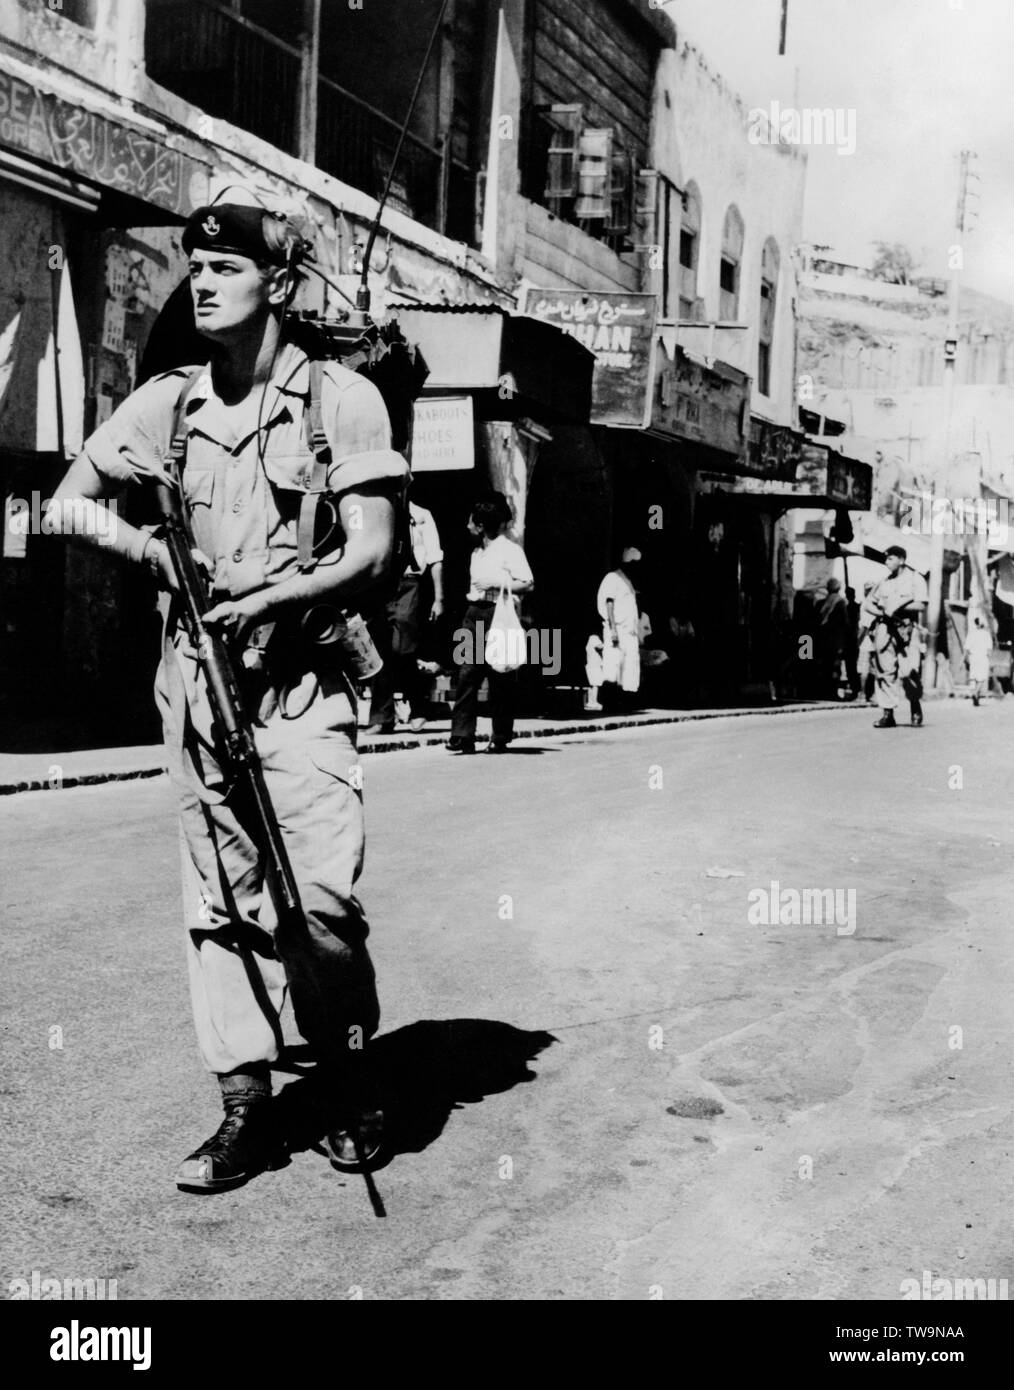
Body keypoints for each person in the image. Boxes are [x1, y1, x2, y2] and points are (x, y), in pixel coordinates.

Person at [48, 203, 408, 1192]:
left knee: (320, 903)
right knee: (220, 906)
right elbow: (67, 500)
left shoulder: (343, 400)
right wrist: (155, 555)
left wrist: (271, 597)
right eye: (195, 265)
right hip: (204, 686)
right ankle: (245, 1108)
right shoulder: (167, 402)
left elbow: (373, 549)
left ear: (278, 283)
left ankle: (346, 1067)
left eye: (226, 266)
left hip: (302, 681)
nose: (202, 282)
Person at [446, 492, 533, 754]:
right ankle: (462, 735)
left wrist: (497, 583)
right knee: (467, 673)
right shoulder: (476, 553)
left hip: (499, 613)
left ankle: (500, 735)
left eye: (472, 521)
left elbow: (527, 583)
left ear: (482, 524)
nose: (468, 526)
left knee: (500, 676)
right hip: (474, 613)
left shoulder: (510, 550)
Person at [365, 494, 444, 733]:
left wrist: (439, 598)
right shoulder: (375, 513)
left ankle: (418, 707)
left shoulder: (421, 516)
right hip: (381, 583)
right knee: (379, 650)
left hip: (409, 583)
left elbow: (435, 558)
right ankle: (382, 717)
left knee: (404, 646)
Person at [861, 544, 928, 728]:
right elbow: (868, 604)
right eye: (886, 558)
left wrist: (898, 606)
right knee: (885, 671)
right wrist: (882, 613)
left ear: (902, 560)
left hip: (907, 629)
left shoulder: (916, 579)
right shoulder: (884, 581)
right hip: (885, 628)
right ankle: (888, 713)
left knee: (909, 671)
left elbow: (921, 604)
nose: (886, 562)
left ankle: (915, 706)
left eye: (890, 558)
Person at [588, 547, 643, 709]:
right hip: (617, 630)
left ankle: (625, 701)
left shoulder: (628, 581)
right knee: (613, 666)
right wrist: (612, 630)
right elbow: (609, 603)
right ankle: (611, 702)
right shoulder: (613, 578)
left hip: (629, 632)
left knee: (629, 667)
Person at [817, 577, 849, 699]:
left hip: (823, 638)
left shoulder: (821, 603)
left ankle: (823, 691)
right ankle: (832, 692)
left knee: (824, 665)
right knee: (835, 666)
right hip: (836, 639)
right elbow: (845, 622)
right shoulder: (841, 602)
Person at [965, 612, 992, 706]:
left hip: (973, 657)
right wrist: (989, 659)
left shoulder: (971, 634)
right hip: (983, 657)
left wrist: (968, 658)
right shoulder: (986, 635)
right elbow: (989, 650)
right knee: (982, 677)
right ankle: (975, 693)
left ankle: (975, 695)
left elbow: (967, 648)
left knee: (974, 676)